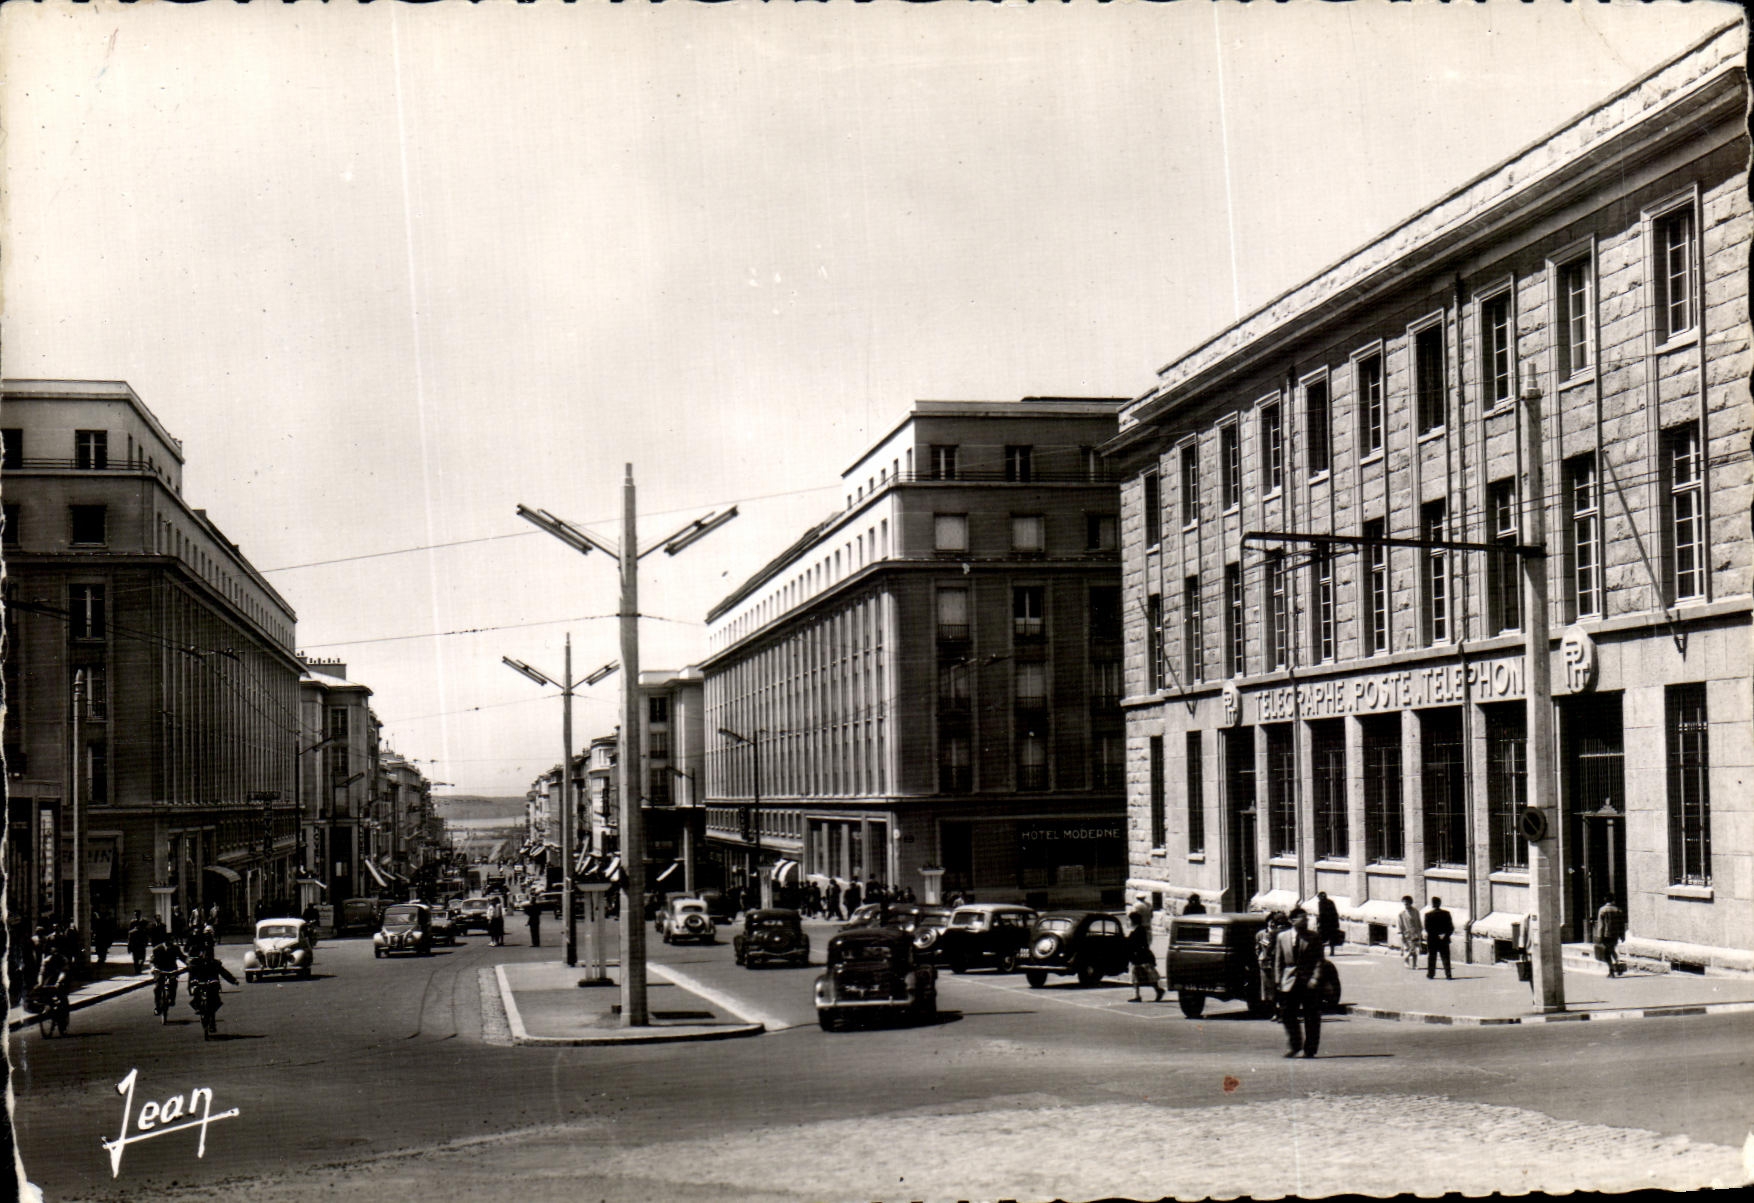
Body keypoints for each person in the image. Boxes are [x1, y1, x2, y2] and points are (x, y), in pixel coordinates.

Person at [1272, 908, 1326, 1058]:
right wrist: (1278, 979)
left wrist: (1315, 979)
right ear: (1293, 920)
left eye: (1307, 919)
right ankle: (1295, 1045)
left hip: (1308, 982)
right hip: (1288, 981)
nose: (1306, 921)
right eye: (1303, 919)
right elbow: (1278, 960)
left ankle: (1310, 1049)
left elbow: (1319, 961)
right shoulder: (1282, 937)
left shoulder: (1313, 937)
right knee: (1287, 1014)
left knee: (1312, 1016)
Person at [1256, 911, 1290, 1017]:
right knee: (1270, 989)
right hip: (1267, 964)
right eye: (1270, 922)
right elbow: (1258, 948)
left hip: (1276, 963)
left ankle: (1279, 1012)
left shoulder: (1275, 933)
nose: (1271, 924)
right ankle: (1276, 1011)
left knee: (1278, 988)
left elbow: (1270, 949)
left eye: (1273, 921)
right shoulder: (1262, 934)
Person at [1127, 912, 1164, 1002]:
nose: (1129, 922)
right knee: (1136, 975)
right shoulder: (1137, 929)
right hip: (1138, 957)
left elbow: (1138, 943)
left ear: (1133, 921)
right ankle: (1137, 995)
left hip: (1141, 956)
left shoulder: (1139, 930)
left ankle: (1158, 990)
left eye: (1129, 920)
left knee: (1147, 975)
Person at [148, 936, 189, 1012]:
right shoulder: (157, 949)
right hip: (160, 970)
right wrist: (153, 968)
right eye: (168, 940)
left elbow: (182, 957)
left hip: (172, 970)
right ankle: (157, 1006)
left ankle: (172, 999)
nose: (170, 942)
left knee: (173, 982)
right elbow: (152, 961)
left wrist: (189, 964)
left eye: (171, 940)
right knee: (157, 988)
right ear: (164, 941)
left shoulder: (175, 948)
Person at [1595, 895, 1627, 976]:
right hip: (1615, 935)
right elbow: (1621, 924)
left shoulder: (1602, 910)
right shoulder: (1618, 910)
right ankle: (1617, 964)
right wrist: (1622, 935)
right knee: (1612, 949)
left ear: (1605, 900)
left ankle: (1612, 969)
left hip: (1606, 935)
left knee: (1607, 954)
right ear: (1613, 900)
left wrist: (1599, 936)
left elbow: (1601, 925)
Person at [1424, 896, 1454, 980]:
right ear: (1440, 903)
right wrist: (1445, 935)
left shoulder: (1428, 915)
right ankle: (1448, 974)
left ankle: (1431, 974)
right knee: (1445, 957)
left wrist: (1436, 935)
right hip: (1444, 939)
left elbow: (1428, 928)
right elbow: (1451, 927)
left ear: (1432, 904)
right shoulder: (1446, 913)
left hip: (1433, 939)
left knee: (1432, 957)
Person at [1396, 896, 1423, 970]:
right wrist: (1400, 933)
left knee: (1415, 949)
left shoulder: (1415, 912)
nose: (1406, 905)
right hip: (1406, 934)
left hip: (1415, 933)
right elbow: (1399, 924)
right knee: (1407, 948)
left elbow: (1419, 922)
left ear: (1411, 903)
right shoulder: (1401, 914)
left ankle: (1415, 964)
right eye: (1405, 903)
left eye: (1407, 903)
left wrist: (1420, 932)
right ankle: (1406, 961)